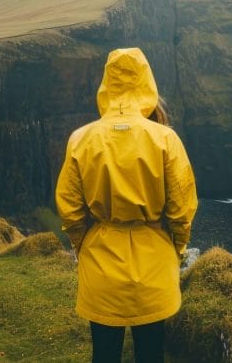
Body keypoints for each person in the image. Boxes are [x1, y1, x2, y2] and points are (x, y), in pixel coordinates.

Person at [55, 47, 198, 363]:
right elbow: (181, 207)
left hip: (102, 261)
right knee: (150, 353)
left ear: (106, 83)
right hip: (154, 261)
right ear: (146, 81)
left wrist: (84, 246)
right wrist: (176, 248)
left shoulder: (81, 139)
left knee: (104, 354)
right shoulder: (165, 139)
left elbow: (69, 208)